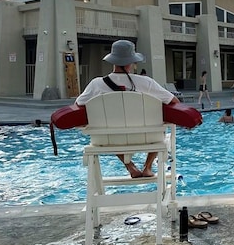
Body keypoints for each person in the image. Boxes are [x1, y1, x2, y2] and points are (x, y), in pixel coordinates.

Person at [75, 40, 179, 178]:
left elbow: (78, 104)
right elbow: (174, 101)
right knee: (159, 126)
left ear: (113, 61)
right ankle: (147, 167)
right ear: (131, 62)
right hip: (149, 137)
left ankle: (130, 167)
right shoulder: (146, 82)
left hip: (109, 139)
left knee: (111, 127)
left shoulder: (96, 84)